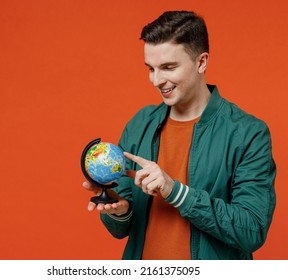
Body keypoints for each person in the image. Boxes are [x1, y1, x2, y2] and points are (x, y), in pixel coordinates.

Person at [82, 10, 276, 260]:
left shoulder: (248, 133)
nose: (156, 80)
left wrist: (175, 192)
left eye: (168, 67)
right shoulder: (140, 123)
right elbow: (123, 229)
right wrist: (119, 211)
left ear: (201, 62)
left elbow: (252, 230)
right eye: (151, 68)